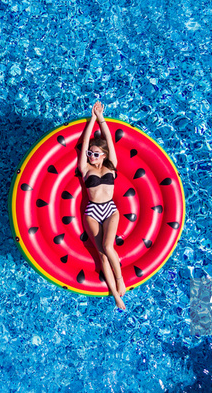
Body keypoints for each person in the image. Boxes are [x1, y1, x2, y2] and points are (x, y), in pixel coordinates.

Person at [78, 101, 126, 310]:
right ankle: (116, 295)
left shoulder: (111, 164)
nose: (91, 155)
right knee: (102, 255)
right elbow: (87, 142)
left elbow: (109, 141)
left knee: (108, 247)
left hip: (110, 209)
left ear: (104, 155)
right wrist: (91, 119)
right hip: (92, 211)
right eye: (90, 152)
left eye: (96, 153)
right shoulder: (85, 168)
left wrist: (101, 118)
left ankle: (120, 279)